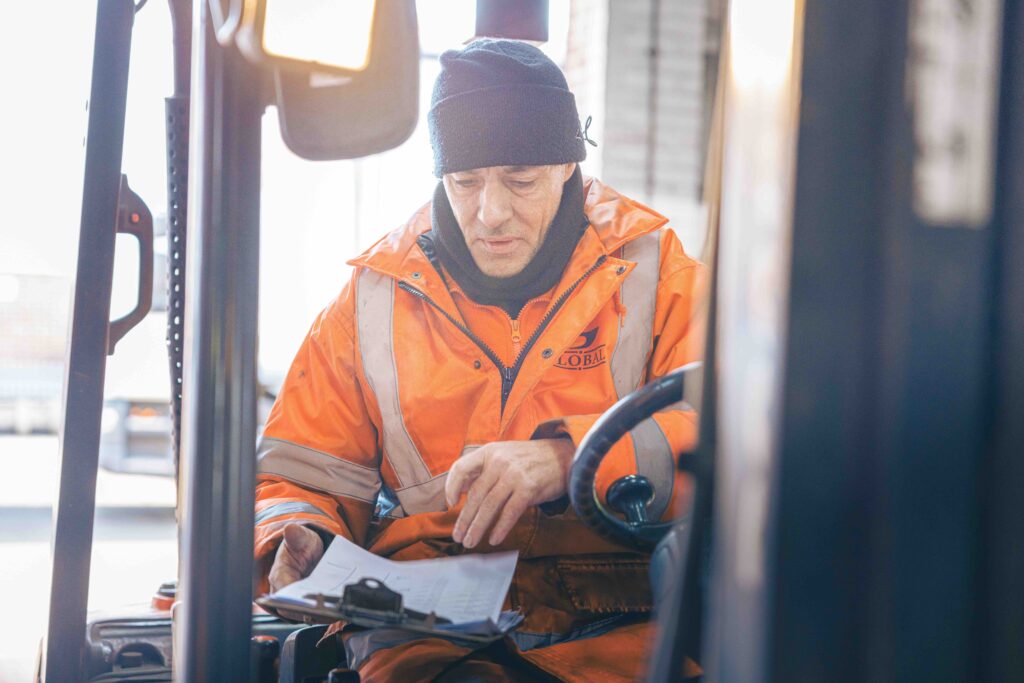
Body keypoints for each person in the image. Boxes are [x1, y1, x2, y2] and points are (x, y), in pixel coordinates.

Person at [254, 39, 706, 682]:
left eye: (520, 181)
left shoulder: (659, 276)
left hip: (625, 613)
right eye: (465, 182)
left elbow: (732, 436)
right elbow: (301, 471)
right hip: (427, 633)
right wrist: (299, 533)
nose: (490, 213)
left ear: (566, 167)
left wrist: (569, 459)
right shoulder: (370, 301)